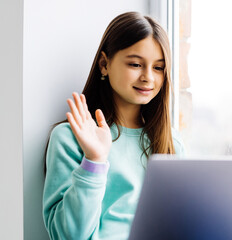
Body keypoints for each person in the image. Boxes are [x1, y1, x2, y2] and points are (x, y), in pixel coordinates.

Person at [43, 12, 185, 240]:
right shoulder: (70, 138)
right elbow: (69, 236)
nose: (148, 77)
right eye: (136, 64)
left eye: (158, 68)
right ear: (104, 64)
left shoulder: (171, 143)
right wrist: (94, 161)